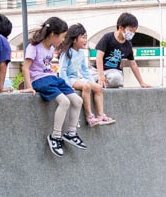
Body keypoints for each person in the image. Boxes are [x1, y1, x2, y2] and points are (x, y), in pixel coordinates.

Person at [23, 17, 86, 155]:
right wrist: (29, 86)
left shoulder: (51, 48)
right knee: (64, 102)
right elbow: (25, 67)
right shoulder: (34, 47)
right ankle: (55, 136)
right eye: (62, 37)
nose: (63, 40)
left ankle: (71, 133)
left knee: (78, 100)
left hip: (52, 77)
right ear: (53, 35)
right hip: (39, 80)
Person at [59, 24, 115, 127]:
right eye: (83, 37)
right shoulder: (66, 53)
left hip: (78, 78)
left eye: (86, 37)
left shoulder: (80, 52)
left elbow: (85, 70)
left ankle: (101, 115)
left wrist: (93, 83)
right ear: (74, 39)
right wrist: (66, 85)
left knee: (98, 88)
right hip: (70, 79)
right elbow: (62, 71)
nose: (85, 40)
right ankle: (89, 116)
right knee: (86, 86)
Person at [96, 13, 152, 89]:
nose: (132, 33)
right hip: (99, 70)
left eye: (134, 31)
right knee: (87, 77)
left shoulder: (128, 44)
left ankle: (102, 83)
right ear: (121, 28)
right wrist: (101, 75)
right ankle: (99, 81)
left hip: (113, 72)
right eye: (130, 30)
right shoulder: (108, 37)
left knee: (116, 79)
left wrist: (141, 82)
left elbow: (133, 64)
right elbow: (99, 56)